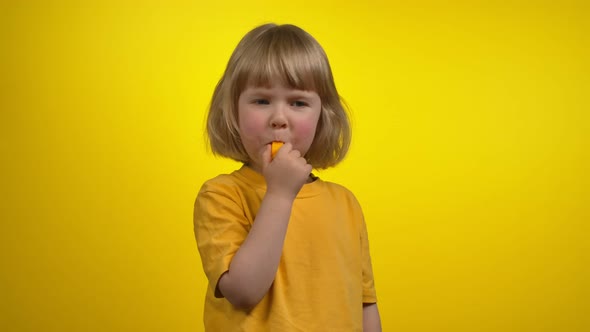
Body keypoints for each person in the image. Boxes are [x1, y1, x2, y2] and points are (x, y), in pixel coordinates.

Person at [193, 23, 381, 331]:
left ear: (323, 117)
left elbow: (366, 303)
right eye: (262, 101)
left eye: (298, 103)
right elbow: (243, 291)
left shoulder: (345, 204)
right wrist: (279, 194)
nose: (279, 118)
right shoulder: (221, 195)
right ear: (232, 111)